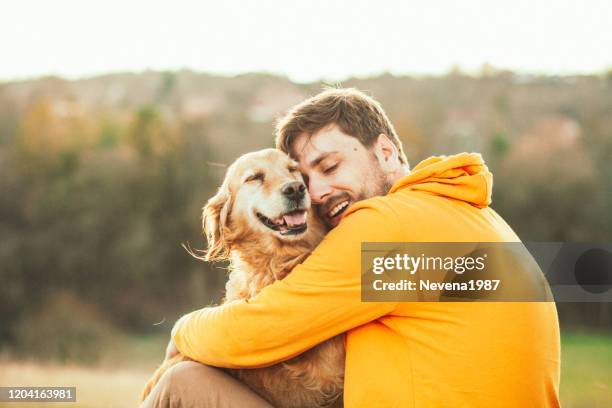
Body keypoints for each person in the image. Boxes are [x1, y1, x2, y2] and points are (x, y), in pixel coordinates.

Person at [142, 88, 560, 407]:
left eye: (329, 167)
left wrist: (182, 329)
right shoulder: (472, 215)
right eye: (307, 178)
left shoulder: (387, 225)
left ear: (386, 150)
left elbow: (258, 330)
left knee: (180, 383)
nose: (316, 192)